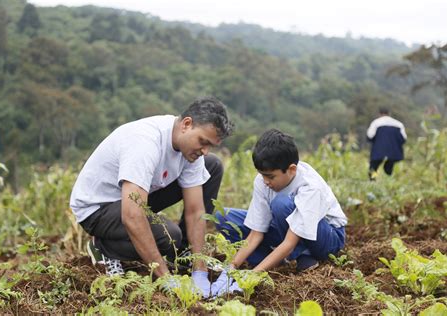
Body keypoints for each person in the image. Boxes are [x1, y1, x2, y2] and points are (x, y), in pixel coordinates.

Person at [69, 97, 233, 297]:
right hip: (99, 208)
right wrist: (165, 277)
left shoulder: (191, 149)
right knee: (169, 235)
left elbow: (195, 211)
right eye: (203, 142)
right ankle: (104, 247)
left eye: (211, 145)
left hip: (137, 196)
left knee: (212, 166)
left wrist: (199, 269)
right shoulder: (145, 143)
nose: (205, 150)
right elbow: (132, 215)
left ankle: (179, 255)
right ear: (186, 124)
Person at [211, 129, 347, 296]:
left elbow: (289, 243)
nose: (265, 181)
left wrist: (252, 277)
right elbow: (256, 233)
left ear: (291, 170)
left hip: (326, 237)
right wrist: (231, 268)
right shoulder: (263, 181)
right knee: (222, 216)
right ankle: (274, 261)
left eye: (271, 177)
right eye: (262, 175)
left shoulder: (310, 186)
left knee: (281, 204)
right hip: (287, 230)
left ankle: (303, 255)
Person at [366, 107, 407, 180]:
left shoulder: (376, 122)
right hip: (394, 153)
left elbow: (370, 135)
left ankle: (373, 182)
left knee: (373, 167)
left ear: (379, 114)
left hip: (378, 151)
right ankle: (390, 182)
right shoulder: (398, 124)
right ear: (389, 114)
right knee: (389, 169)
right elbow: (403, 139)